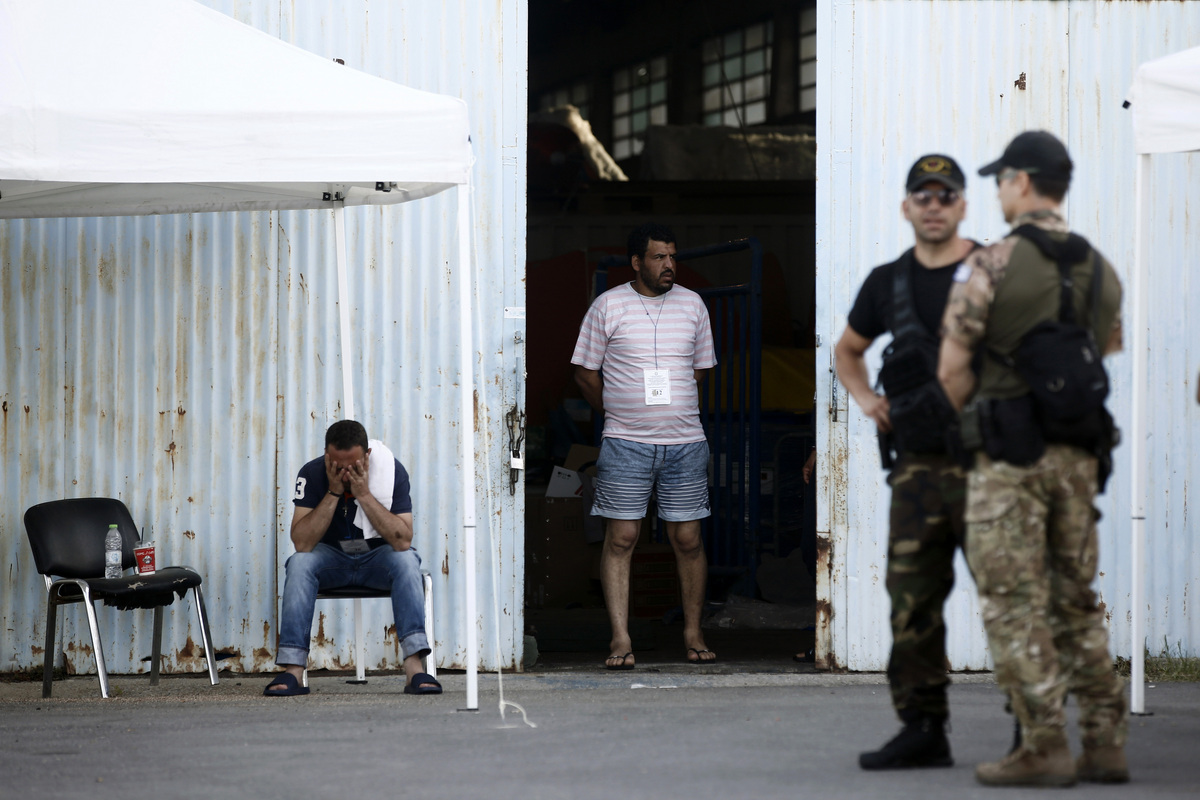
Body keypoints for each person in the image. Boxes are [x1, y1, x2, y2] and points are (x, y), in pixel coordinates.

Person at [938, 130, 1128, 787]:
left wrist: (972, 428)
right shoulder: (1104, 270)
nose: (997, 191)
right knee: (1076, 601)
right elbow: (1101, 353)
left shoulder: (990, 263)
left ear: (1022, 182)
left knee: (1013, 603)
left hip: (1008, 461)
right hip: (1078, 455)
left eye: (1001, 180)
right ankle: (1105, 743)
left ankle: (1045, 745)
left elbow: (952, 368)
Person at [835, 154, 979, 770]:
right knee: (912, 598)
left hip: (991, 464)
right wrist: (869, 401)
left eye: (946, 195)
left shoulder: (992, 271)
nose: (934, 205)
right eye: (923, 195)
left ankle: (1035, 734)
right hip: (919, 468)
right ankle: (923, 728)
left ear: (962, 205)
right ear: (906, 207)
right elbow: (847, 350)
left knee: (1013, 598)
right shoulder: (886, 282)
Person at [571, 222, 717, 670]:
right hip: (626, 443)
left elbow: (700, 370)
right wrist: (618, 411)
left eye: (672, 256)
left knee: (688, 539)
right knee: (622, 538)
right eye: (659, 257)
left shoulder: (693, 305)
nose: (669, 264)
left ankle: (693, 632)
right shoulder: (608, 305)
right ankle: (620, 638)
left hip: (686, 443)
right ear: (636, 262)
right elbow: (585, 373)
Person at [264, 420, 440, 696]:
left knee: (407, 561)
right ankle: (293, 671)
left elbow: (402, 540)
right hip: (331, 558)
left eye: (353, 464)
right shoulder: (311, 473)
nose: (345, 472)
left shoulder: (391, 472)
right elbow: (302, 543)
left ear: (367, 455)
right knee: (299, 563)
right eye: (337, 464)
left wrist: (364, 494)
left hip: (377, 557)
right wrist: (334, 491)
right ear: (326, 455)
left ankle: (415, 669)